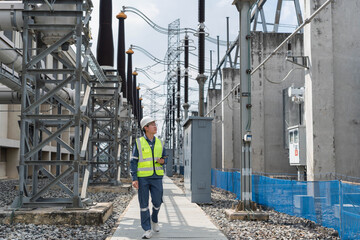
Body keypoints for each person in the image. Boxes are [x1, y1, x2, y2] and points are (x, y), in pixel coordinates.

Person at [130, 116, 167, 239]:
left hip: (156, 177)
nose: (155, 126)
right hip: (143, 178)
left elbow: (165, 158)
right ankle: (147, 229)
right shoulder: (139, 142)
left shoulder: (160, 142)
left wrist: (162, 161)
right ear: (146, 128)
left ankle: (154, 219)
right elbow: (133, 161)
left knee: (157, 201)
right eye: (152, 125)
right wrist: (134, 178)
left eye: (155, 124)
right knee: (143, 204)